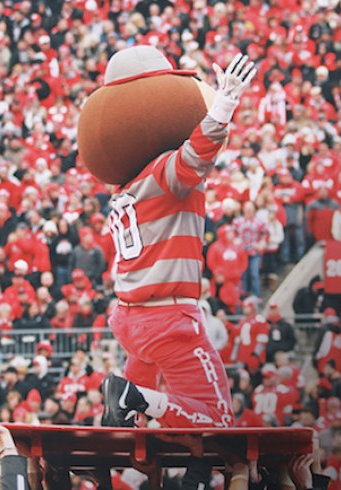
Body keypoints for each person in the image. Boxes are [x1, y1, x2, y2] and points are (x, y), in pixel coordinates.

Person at [101, 51, 256, 432]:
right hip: (167, 314)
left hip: (129, 314)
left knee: (137, 426)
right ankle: (130, 397)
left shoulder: (124, 188)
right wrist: (224, 103)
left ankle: (123, 417)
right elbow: (194, 157)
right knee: (218, 421)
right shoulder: (161, 174)